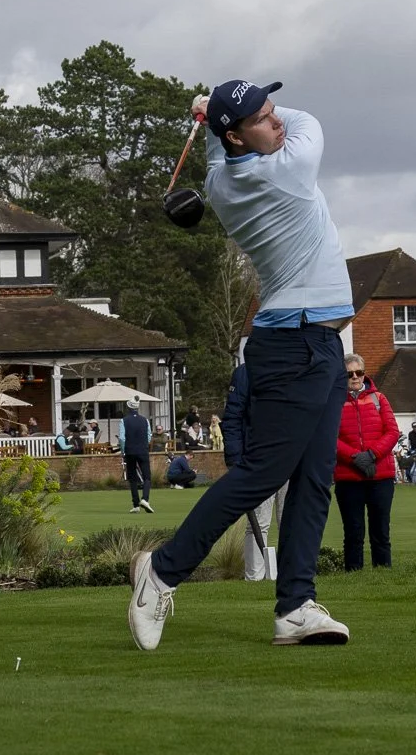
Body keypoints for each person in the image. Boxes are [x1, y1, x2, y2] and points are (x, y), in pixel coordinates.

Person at [128, 79, 353, 650]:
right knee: (263, 474)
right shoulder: (286, 170)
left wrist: (213, 118)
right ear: (236, 135)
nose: (277, 122)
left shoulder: (221, 178)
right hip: (296, 343)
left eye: (274, 110)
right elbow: (312, 123)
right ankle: (161, 572)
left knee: (313, 479)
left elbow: (220, 146)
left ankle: (295, 607)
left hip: (315, 345)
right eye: (262, 118)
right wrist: (212, 114)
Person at [334, 355, 399, 571]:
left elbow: (392, 432)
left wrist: (371, 455)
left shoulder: (379, 398)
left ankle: (382, 576)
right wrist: (355, 457)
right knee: (353, 532)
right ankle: (354, 576)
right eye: (349, 374)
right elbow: (328, 437)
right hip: (348, 476)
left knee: (380, 531)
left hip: (380, 475)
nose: (354, 377)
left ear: (364, 373)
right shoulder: (333, 402)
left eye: (358, 372)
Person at [222, 360, 279, 581]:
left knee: (292, 521)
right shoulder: (246, 373)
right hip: (259, 459)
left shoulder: (294, 367)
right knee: (259, 522)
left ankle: (293, 575)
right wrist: (235, 457)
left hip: (292, 456)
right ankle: (255, 576)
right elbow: (233, 417)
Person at [121, 399, 154, 513]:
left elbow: (122, 438)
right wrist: (144, 444)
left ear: (128, 407)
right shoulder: (145, 420)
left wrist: (122, 450)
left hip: (130, 451)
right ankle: (145, 499)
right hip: (143, 451)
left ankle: (136, 505)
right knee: (147, 477)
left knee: (132, 478)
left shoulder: (123, 420)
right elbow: (149, 435)